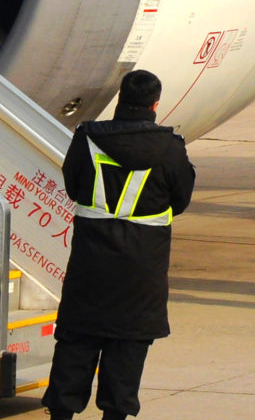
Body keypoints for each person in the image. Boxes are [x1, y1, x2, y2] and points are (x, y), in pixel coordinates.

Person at [50, 68, 196, 420]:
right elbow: (181, 200)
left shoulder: (87, 138)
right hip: (142, 269)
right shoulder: (171, 148)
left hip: (91, 263)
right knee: (127, 348)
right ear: (155, 104)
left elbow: (73, 186)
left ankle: (62, 413)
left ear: (120, 100)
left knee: (77, 342)